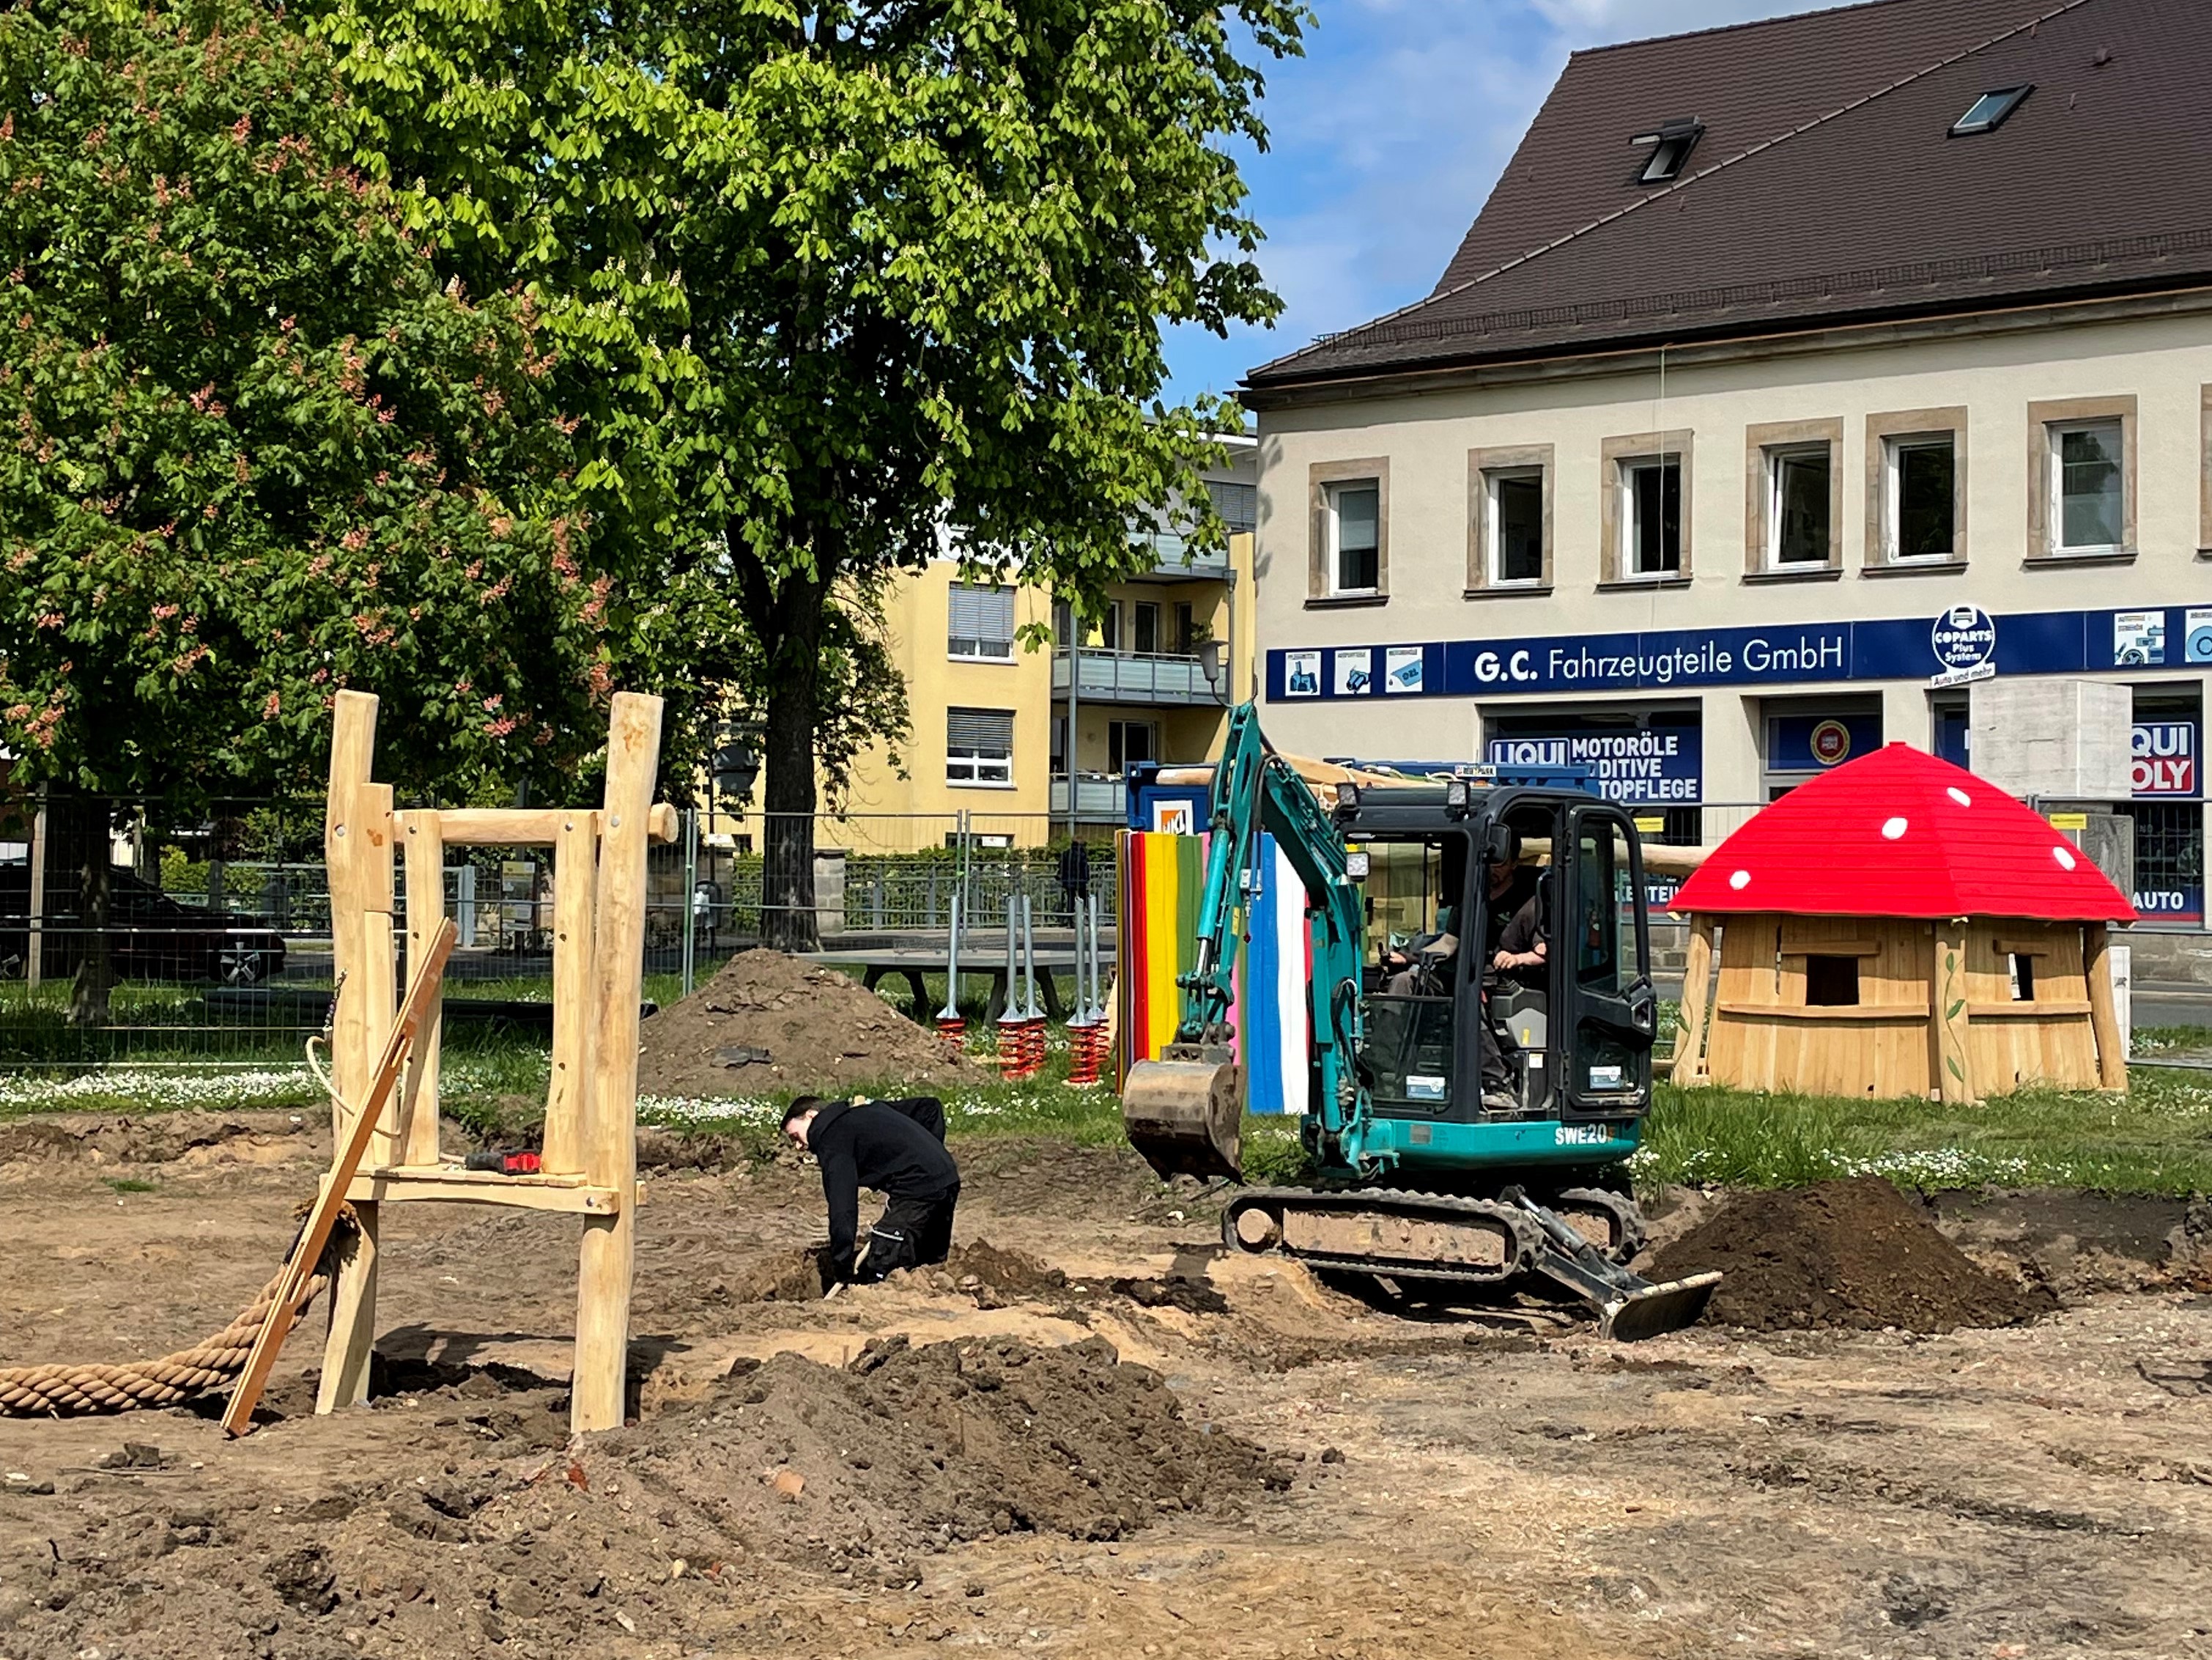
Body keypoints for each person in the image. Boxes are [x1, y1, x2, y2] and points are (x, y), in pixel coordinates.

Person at [781, 1095, 960, 1284]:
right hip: (948, 1178)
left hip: (918, 1191)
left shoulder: (833, 1140)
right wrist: (929, 1157)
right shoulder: (870, 1112)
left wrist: (842, 1266)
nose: (798, 1147)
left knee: (884, 1268)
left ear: (811, 1116)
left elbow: (843, 1208)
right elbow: (930, 1108)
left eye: (795, 1137)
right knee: (928, 1264)